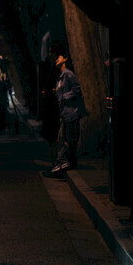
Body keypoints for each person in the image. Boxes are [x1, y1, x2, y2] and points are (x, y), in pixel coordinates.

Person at [45, 47, 87, 178]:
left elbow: (77, 90)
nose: (57, 59)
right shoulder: (60, 77)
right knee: (62, 139)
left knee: (67, 140)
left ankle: (65, 166)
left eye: (60, 57)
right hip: (64, 113)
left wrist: (63, 97)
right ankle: (63, 165)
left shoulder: (68, 74)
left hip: (71, 112)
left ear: (65, 59)